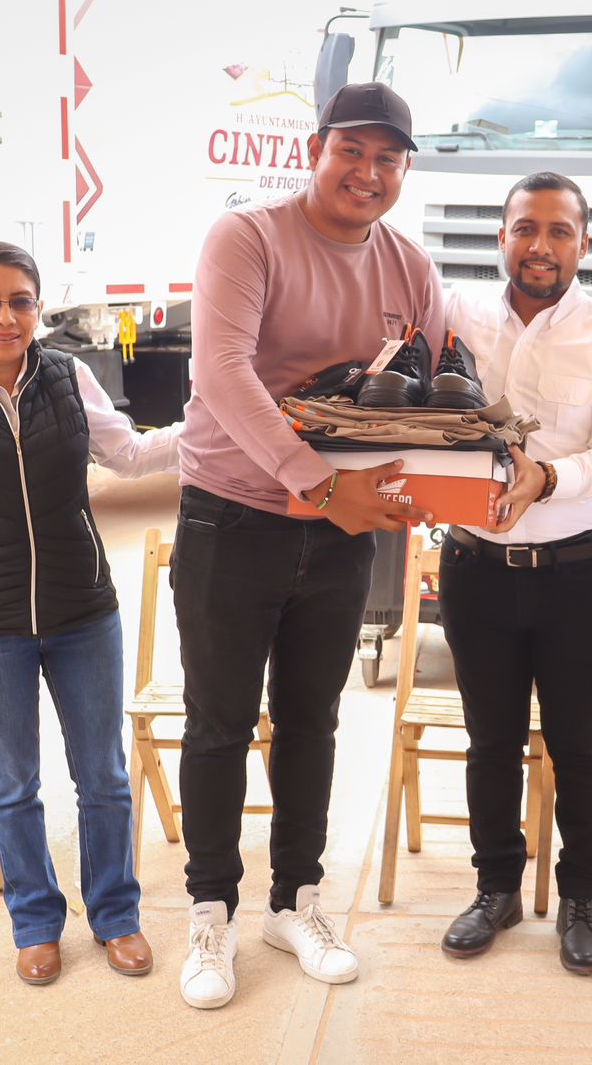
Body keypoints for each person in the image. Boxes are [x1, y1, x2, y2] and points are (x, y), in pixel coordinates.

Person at [174, 82, 440, 1010]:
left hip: (342, 530)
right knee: (218, 723)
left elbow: (433, 385)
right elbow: (221, 372)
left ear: (404, 170)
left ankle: (295, 903)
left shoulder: (409, 266)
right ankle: (210, 912)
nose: (368, 172)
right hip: (232, 515)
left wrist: (435, 484)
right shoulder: (247, 238)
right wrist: (318, 482)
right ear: (313, 151)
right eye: (350, 151)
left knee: (312, 721)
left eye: (388, 158)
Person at [0, 241, 177, 985]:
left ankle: (116, 915)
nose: (5, 317)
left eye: (20, 301)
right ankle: (36, 922)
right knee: (13, 784)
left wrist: (214, 425)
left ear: (38, 309)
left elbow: (129, 455)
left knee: (104, 776)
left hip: (83, 610)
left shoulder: (70, 376)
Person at [437, 172, 592, 975]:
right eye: (526, 228)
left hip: (577, 574)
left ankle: (581, 900)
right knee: (490, 740)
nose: (541, 245)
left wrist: (548, 479)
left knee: (579, 743)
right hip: (475, 568)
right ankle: (495, 888)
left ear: (583, 244)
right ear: (502, 237)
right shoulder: (457, 316)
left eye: (560, 231)